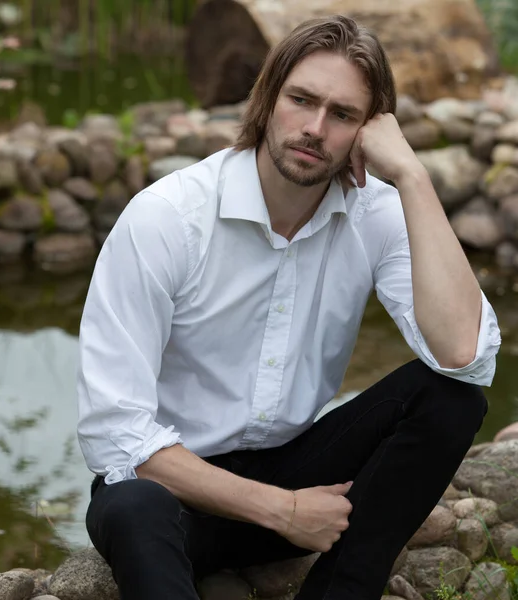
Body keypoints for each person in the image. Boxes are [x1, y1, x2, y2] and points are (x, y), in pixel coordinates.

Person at [76, 14, 501, 600]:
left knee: (449, 399)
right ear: (268, 98)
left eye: (344, 115)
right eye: (301, 100)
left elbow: (464, 357)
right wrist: (283, 510)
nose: (315, 128)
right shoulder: (168, 218)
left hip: (295, 473)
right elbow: (116, 436)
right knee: (130, 505)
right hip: (176, 499)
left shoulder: (374, 212)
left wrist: (411, 176)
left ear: (367, 131)